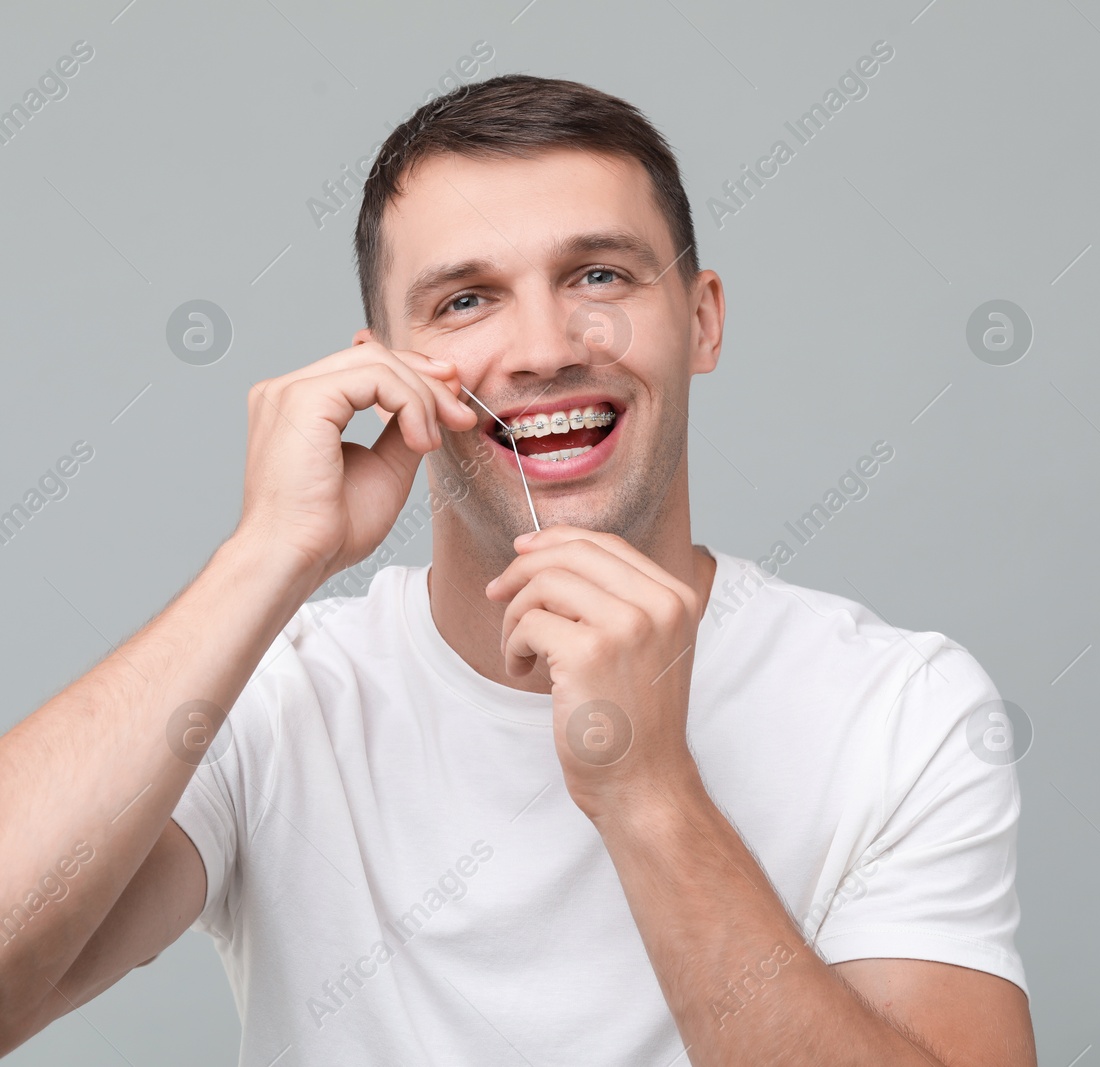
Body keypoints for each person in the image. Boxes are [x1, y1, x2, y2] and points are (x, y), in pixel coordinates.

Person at [0, 74, 1035, 1065]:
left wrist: (649, 794)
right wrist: (267, 556)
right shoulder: (276, 698)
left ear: (703, 318)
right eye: (464, 300)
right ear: (386, 366)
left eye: (599, 275)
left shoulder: (901, 706)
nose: (542, 348)